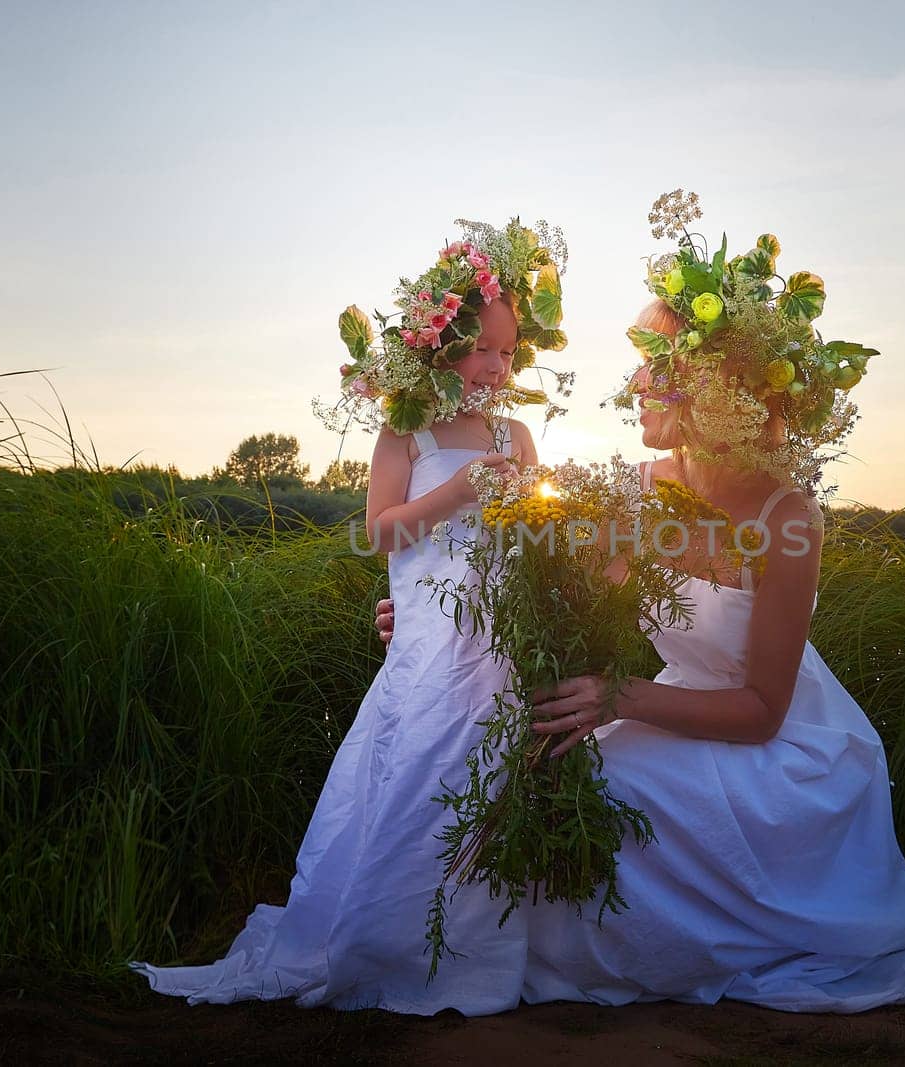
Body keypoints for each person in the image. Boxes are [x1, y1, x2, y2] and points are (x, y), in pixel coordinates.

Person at [377, 210, 905, 1013]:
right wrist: (432, 614)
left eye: (652, 364)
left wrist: (619, 698)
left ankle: (666, 946)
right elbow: (540, 588)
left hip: (781, 748)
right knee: (555, 778)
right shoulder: (637, 496)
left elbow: (760, 711)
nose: (635, 383)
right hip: (673, 708)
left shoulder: (788, 520)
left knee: (616, 788)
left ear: (711, 386)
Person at [131, 219, 567, 1015]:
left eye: (509, 352)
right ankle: (385, 940)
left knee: (486, 785)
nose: (498, 367)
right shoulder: (407, 429)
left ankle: (476, 947)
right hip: (429, 638)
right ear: (444, 345)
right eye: (484, 351)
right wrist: (462, 492)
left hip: (497, 637)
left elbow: (535, 543)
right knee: (416, 775)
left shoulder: (519, 435)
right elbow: (381, 531)